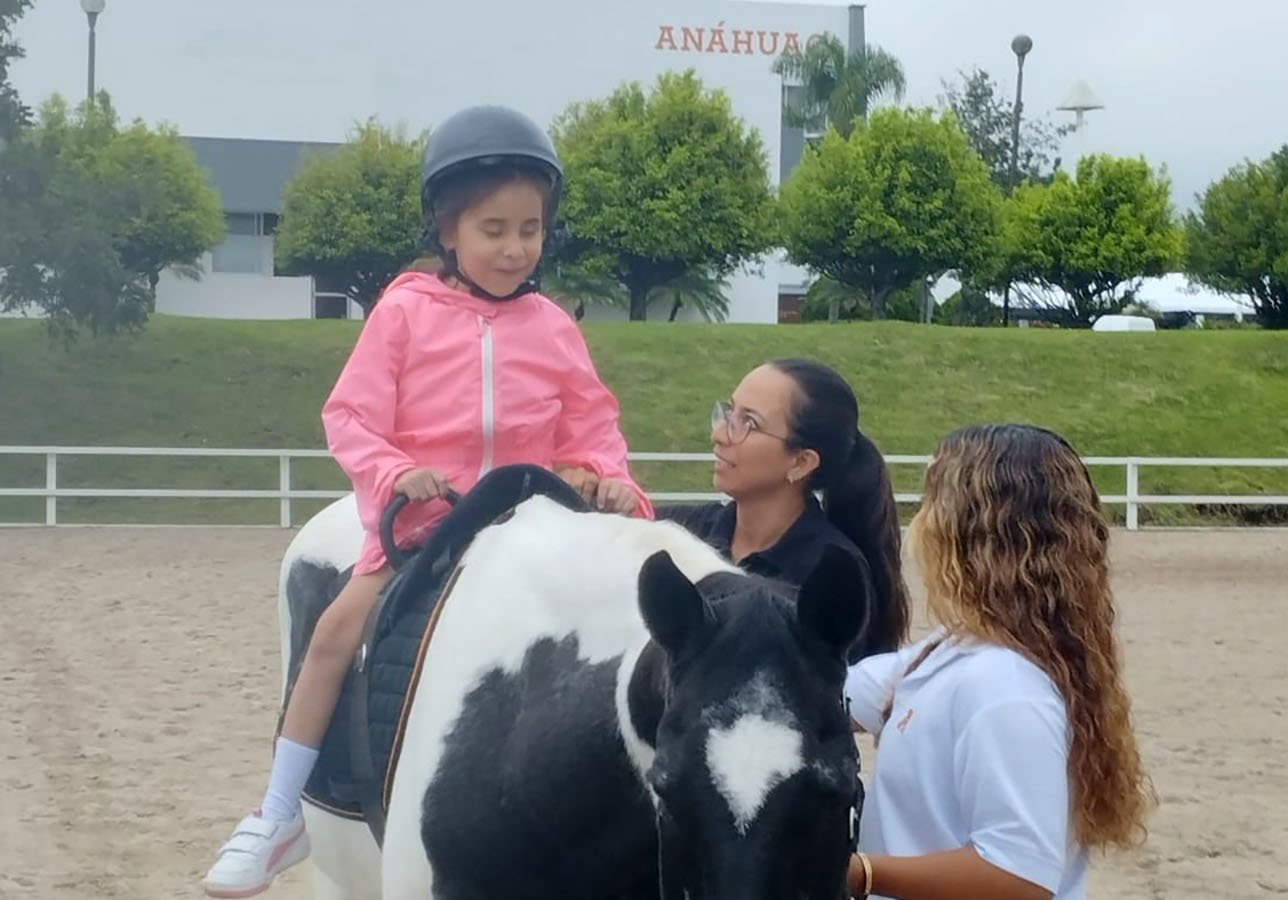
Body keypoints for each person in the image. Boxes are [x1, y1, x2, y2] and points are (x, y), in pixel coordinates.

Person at [201, 104, 651, 898]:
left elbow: (593, 425)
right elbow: (352, 416)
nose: (515, 248)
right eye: (493, 228)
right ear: (448, 229)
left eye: (531, 228)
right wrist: (393, 475)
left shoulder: (553, 327)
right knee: (337, 629)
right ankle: (279, 812)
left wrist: (610, 479)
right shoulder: (403, 312)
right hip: (430, 527)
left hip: (531, 525)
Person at [842, 423, 1154, 900]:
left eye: (930, 501)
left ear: (967, 530)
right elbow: (841, 693)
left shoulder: (1004, 686)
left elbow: (1019, 876)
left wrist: (862, 872)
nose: (919, 522)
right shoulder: (952, 651)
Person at [650, 357, 910, 661]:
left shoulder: (829, 576)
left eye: (749, 423)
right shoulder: (678, 533)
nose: (719, 434)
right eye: (729, 412)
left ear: (801, 462)